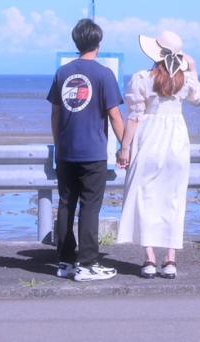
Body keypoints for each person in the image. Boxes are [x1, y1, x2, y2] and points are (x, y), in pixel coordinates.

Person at [116, 29, 200, 279]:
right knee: (174, 199)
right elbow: (198, 99)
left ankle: (149, 259)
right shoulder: (185, 80)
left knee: (146, 198)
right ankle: (171, 260)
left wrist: (124, 147)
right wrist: (193, 67)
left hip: (149, 138)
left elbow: (134, 117)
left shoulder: (142, 77)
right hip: (176, 140)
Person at [47, 18, 124, 282]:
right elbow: (114, 116)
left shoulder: (63, 73)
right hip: (92, 152)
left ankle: (65, 262)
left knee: (66, 204)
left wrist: (59, 143)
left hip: (67, 150)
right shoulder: (104, 74)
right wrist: (125, 146)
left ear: (76, 42)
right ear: (98, 43)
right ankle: (88, 263)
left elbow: (55, 113)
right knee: (90, 207)